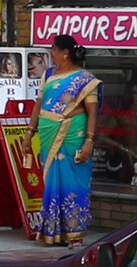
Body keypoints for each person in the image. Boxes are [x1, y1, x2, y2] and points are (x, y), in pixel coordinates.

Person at [33, 34, 101, 247]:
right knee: (52, 183)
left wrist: (89, 141)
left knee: (73, 182)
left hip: (73, 134)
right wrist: (29, 133)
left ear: (65, 52)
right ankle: (54, 231)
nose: (51, 53)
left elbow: (92, 111)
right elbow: (39, 104)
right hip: (47, 133)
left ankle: (75, 233)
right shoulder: (49, 74)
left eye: (53, 49)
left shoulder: (85, 79)